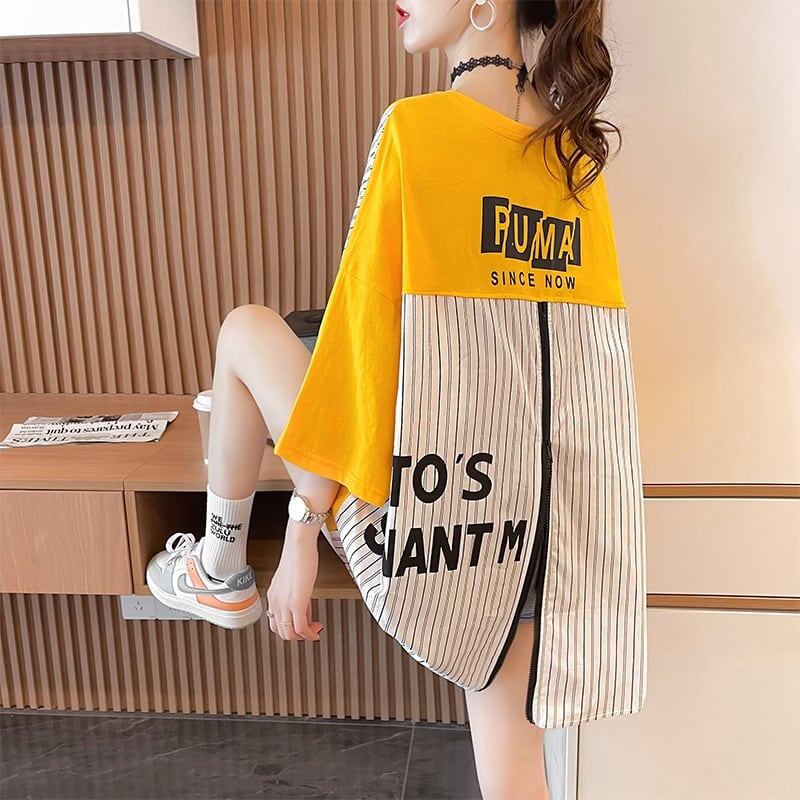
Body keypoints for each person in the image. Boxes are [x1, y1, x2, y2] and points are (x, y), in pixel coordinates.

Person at [146, 1, 648, 798]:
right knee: (516, 779)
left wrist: (303, 529)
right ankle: (219, 569)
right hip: (538, 530)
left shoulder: (416, 131)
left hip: (425, 531)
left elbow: (363, 347)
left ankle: (219, 568)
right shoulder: (572, 155)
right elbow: (587, 371)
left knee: (246, 328)